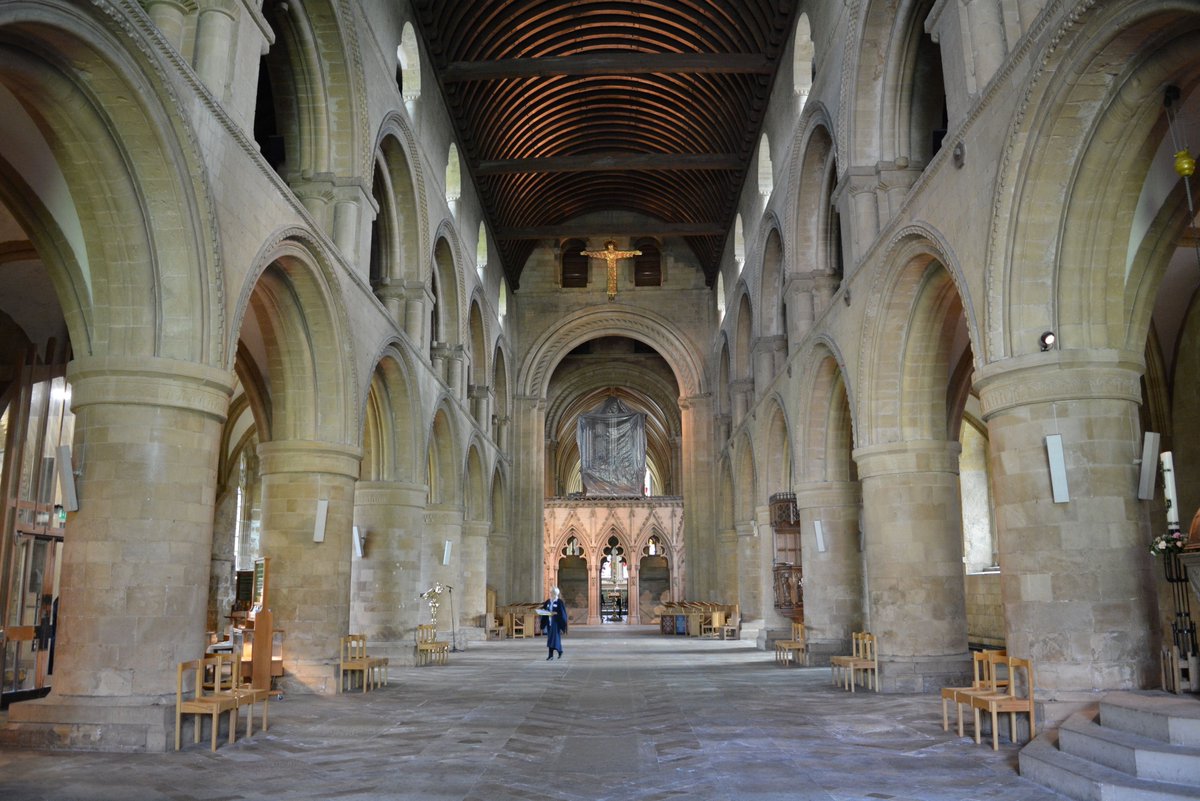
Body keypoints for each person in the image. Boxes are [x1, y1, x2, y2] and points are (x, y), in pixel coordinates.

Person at [540, 586, 568, 660]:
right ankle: (552, 655)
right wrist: (543, 612)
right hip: (549, 622)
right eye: (551, 593)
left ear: (556, 594)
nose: (550, 594)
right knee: (550, 638)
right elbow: (544, 609)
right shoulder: (548, 601)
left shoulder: (559, 602)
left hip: (556, 623)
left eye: (552, 593)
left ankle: (558, 651)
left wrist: (555, 613)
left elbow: (563, 613)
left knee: (555, 639)